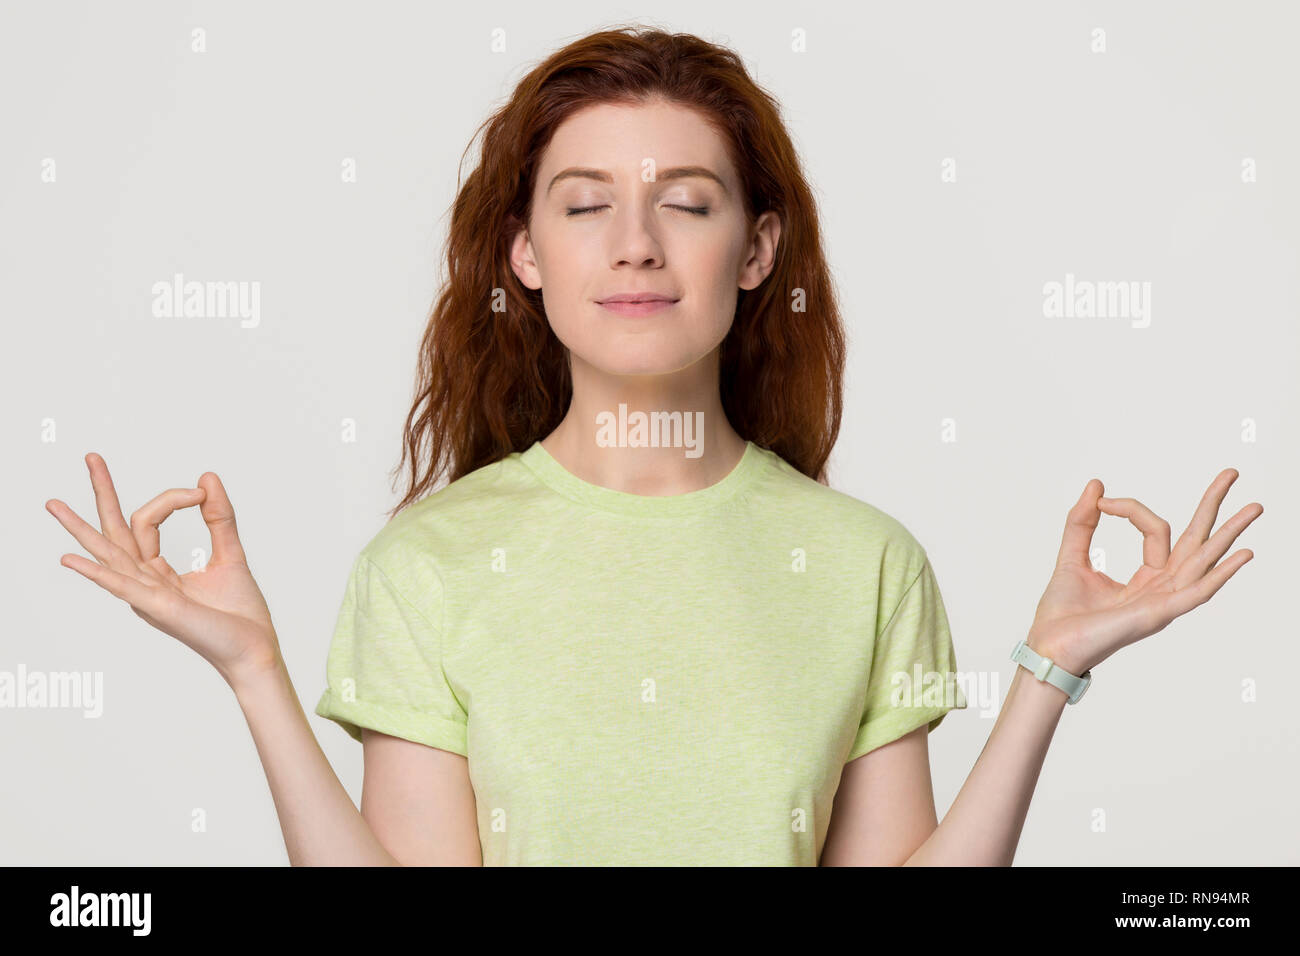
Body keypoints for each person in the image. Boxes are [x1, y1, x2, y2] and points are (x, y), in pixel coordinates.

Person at [45, 26, 1262, 866]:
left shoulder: (863, 561)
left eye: (686, 201)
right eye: (583, 205)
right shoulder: (430, 564)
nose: (634, 244)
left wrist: (1049, 666)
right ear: (525, 256)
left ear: (756, 251)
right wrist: (256, 670)